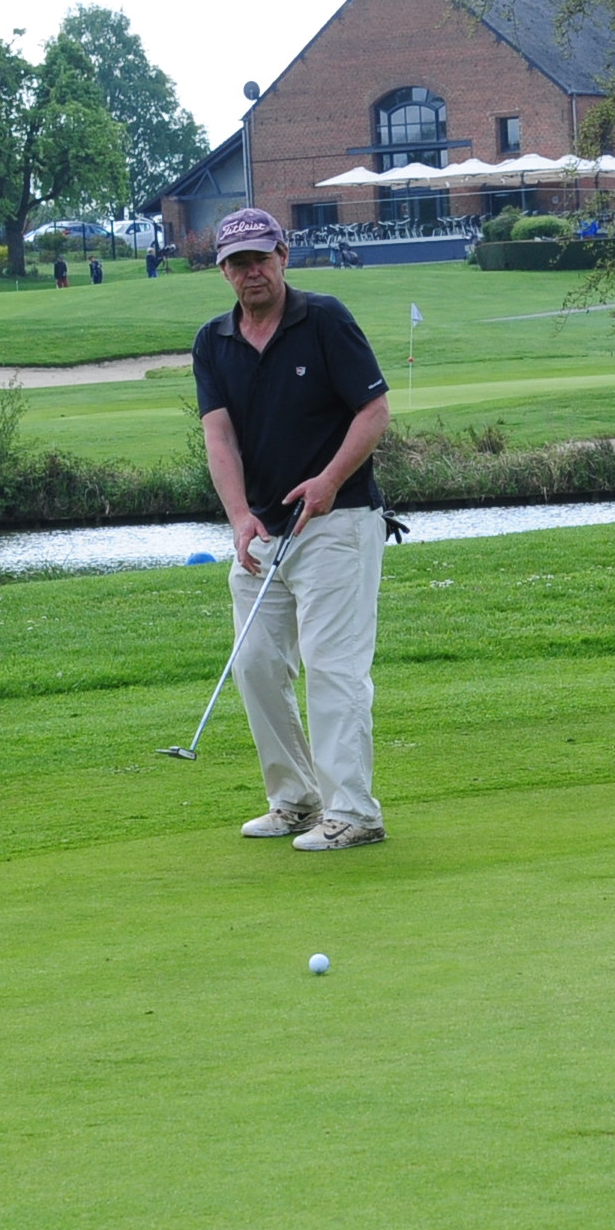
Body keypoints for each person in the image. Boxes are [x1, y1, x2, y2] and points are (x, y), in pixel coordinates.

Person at [191, 207, 393, 851]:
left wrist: (328, 480)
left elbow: (374, 411)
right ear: (223, 271)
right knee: (254, 663)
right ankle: (298, 801)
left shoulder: (325, 318)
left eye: (261, 257)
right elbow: (219, 437)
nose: (251, 271)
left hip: (339, 519)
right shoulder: (213, 341)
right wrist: (238, 517)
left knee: (334, 666)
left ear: (283, 256)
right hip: (263, 530)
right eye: (237, 262)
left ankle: (354, 813)